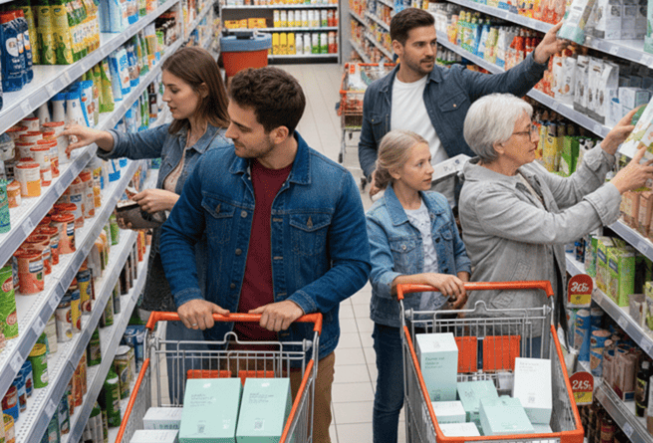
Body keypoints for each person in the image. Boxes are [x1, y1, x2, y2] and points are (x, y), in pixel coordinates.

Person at [158, 67, 371, 443]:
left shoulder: (334, 184)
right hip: (231, 346)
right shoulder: (213, 169)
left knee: (307, 438)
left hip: (302, 353)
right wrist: (188, 294)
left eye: (242, 127)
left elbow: (355, 265)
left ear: (279, 133)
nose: (228, 133)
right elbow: (177, 233)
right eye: (231, 121)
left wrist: (300, 302)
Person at [62, 46, 231, 401]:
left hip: (206, 274)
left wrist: (172, 202)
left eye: (174, 89)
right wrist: (97, 136)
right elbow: (133, 143)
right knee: (183, 368)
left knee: (199, 372)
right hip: (176, 271)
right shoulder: (177, 134)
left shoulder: (224, 146)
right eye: (164, 88)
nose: (165, 97)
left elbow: (230, 216)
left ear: (203, 90)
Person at [458, 93, 653, 356]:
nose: (536, 138)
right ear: (499, 145)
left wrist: (608, 146)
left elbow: (571, 190)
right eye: (527, 132)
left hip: (535, 312)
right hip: (508, 322)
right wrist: (617, 186)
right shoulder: (484, 196)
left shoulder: (523, 170)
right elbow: (556, 228)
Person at [358, 7, 569, 204]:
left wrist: (539, 55)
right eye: (420, 45)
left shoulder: (455, 80)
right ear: (398, 47)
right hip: (401, 204)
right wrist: (373, 171)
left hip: (454, 204)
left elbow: (504, 86)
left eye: (433, 43)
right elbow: (367, 145)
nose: (430, 52)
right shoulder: (377, 93)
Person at [366, 130, 471, 443]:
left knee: (439, 397)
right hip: (396, 326)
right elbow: (381, 279)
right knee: (391, 400)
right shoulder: (378, 219)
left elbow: (459, 253)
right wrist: (429, 279)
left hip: (441, 321)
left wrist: (462, 285)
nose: (430, 170)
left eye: (430, 161)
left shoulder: (438, 204)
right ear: (396, 171)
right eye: (420, 164)